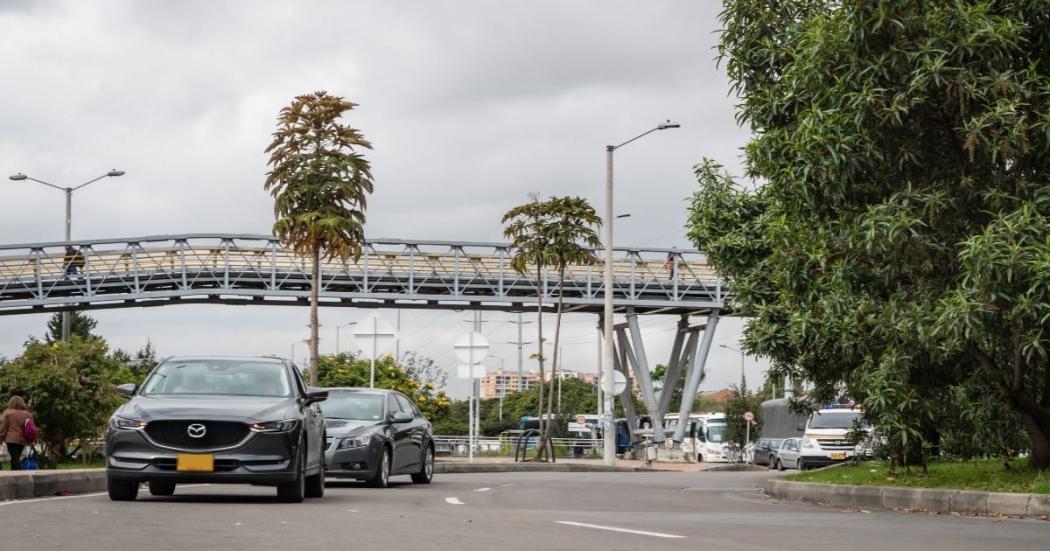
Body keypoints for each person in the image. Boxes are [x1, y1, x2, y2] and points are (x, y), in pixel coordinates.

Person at [0, 396, 33, 470]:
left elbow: (3, 427)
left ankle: (21, 475)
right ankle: (13, 475)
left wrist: (1, 437)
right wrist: (30, 440)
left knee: (15, 458)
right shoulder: (27, 414)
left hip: (11, 440)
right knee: (15, 457)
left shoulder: (8, 413)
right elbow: (31, 427)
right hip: (23, 439)